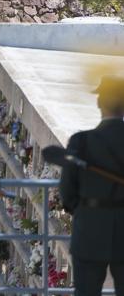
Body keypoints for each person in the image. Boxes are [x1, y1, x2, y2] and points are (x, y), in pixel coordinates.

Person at [59, 75, 124, 296]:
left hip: (90, 226)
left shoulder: (82, 142)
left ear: (99, 103)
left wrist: (83, 209)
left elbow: (67, 192)